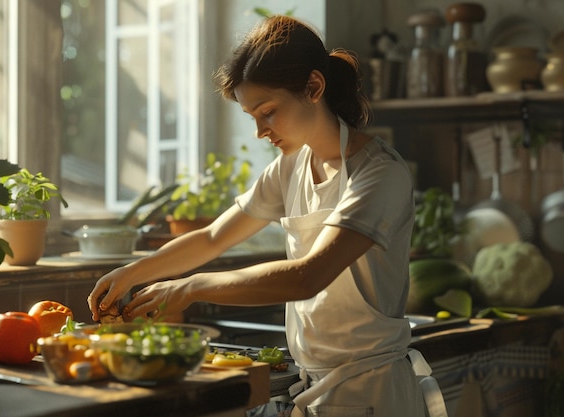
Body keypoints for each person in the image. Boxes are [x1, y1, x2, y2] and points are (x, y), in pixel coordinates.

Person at [89, 15, 445, 417]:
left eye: (268, 111)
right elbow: (212, 238)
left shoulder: (380, 174)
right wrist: (134, 271)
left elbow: (308, 275)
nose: (260, 130)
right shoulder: (290, 167)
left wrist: (189, 288)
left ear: (313, 87)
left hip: (373, 391)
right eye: (252, 116)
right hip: (314, 385)